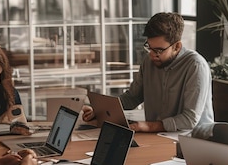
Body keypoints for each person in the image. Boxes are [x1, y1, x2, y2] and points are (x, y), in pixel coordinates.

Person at [82, 12, 214, 134]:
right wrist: (100, 111)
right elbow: (132, 98)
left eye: (158, 50)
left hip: (192, 140)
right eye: (149, 47)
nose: (152, 54)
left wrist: (148, 126)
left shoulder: (196, 66)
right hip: (157, 136)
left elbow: (190, 119)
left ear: (177, 46)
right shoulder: (149, 61)